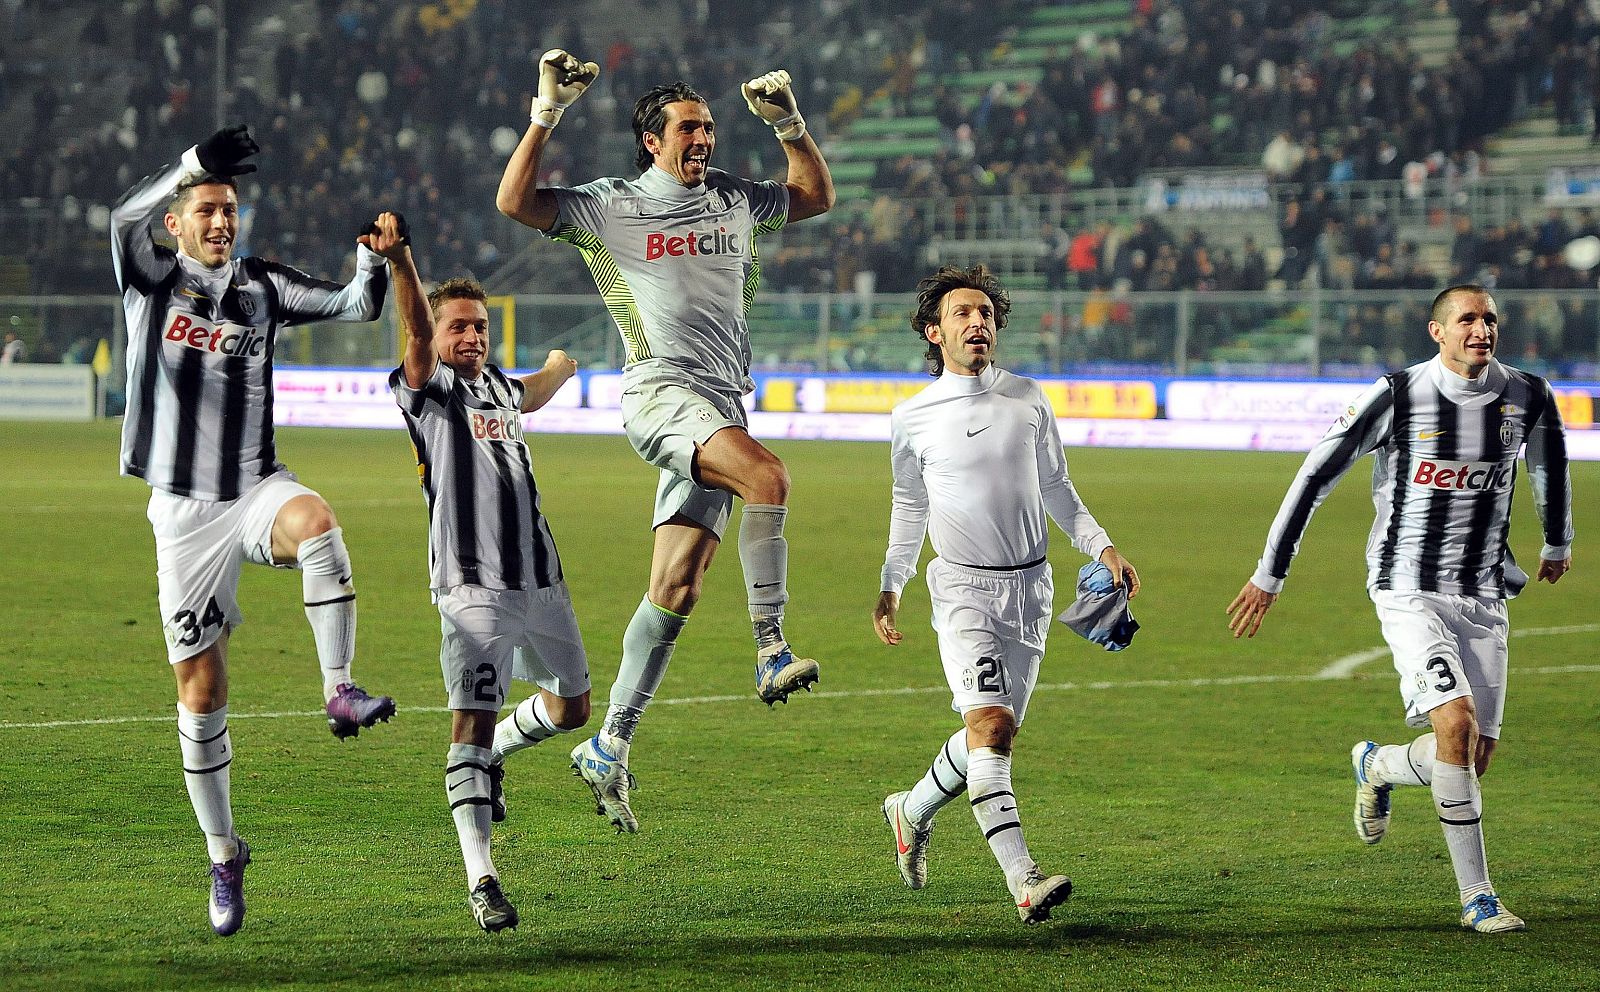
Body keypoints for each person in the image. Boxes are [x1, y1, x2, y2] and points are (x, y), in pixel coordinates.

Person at [496, 52, 835, 832]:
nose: (705, 139)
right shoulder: (611, 206)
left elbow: (814, 193)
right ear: (652, 141)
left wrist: (788, 123)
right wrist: (546, 111)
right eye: (690, 128)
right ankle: (771, 647)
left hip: (718, 404)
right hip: (660, 395)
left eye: (711, 127)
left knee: (675, 590)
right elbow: (515, 201)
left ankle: (606, 743)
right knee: (770, 481)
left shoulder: (735, 200)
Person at [110, 124, 397, 937]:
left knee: (319, 524)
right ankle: (224, 853)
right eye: (205, 210)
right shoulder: (150, 280)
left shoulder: (261, 287)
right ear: (177, 223)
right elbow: (117, 220)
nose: (220, 222)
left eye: (228, 210)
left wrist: (370, 259)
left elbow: (353, 304)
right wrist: (191, 165)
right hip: (183, 514)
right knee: (201, 698)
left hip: (256, 489)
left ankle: (339, 690)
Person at [1227, 284, 1573, 934]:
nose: (1481, 329)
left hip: (1485, 595)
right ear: (1437, 331)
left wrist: (1557, 539)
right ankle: (1479, 898)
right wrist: (1270, 572)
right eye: (1466, 318)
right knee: (1455, 721)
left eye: (1489, 318)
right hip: (1407, 588)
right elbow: (1315, 475)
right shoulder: (1399, 394)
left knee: (1472, 757)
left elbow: (1550, 462)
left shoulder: (1526, 393)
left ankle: (1378, 764)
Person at [872, 265, 1140, 925]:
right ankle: (1026, 881)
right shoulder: (912, 418)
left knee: (995, 735)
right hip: (962, 586)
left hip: (1034, 586)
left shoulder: (1027, 398)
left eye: (987, 313)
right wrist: (891, 583)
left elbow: (1058, 489)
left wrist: (1103, 547)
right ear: (934, 332)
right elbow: (909, 508)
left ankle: (909, 810)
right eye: (963, 313)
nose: (978, 323)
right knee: (989, 726)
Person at [375, 212, 592, 933]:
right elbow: (411, 334)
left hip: (542, 581)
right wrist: (403, 260)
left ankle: (499, 751)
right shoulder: (430, 392)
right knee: (468, 724)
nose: (469, 336)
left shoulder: (499, 389)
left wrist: (562, 364)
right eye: (456, 328)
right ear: (437, 340)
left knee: (573, 709)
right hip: (471, 591)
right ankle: (483, 879)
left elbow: (537, 387)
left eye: (478, 326)